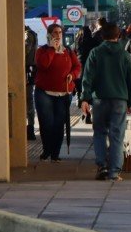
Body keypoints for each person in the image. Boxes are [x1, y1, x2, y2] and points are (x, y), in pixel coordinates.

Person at [80, 23, 131, 181]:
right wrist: (130, 101)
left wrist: (85, 98)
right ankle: (114, 172)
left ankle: (102, 165)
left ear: (102, 36)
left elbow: (87, 77)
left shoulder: (95, 53)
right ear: (118, 36)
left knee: (99, 133)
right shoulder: (124, 56)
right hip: (120, 100)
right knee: (117, 135)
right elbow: (130, 81)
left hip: (99, 99)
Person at [35, 24, 81, 162]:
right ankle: (46, 149)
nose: (58, 35)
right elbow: (43, 65)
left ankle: (55, 153)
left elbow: (77, 66)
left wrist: (72, 75)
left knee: (59, 124)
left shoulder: (67, 51)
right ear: (49, 34)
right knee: (47, 123)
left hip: (63, 94)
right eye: (55, 32)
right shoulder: (42, 51)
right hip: (45, 93)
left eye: (60, 32)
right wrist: (51, 49)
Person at [75, 25, 98, 124]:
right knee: (90, 90)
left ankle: (85, 112)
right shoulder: (93, 42)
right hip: (91, 68)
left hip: (80, 68)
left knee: (82, 91)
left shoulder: (77, 42)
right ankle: (89, 112)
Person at [24, 25, 39, 141]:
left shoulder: (28, 34)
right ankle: (30, 128)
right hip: (29, 71)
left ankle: (30, 129)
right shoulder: (30, 33)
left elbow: (24, 51)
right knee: (29, 101)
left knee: (28, 100)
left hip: (26, 71)